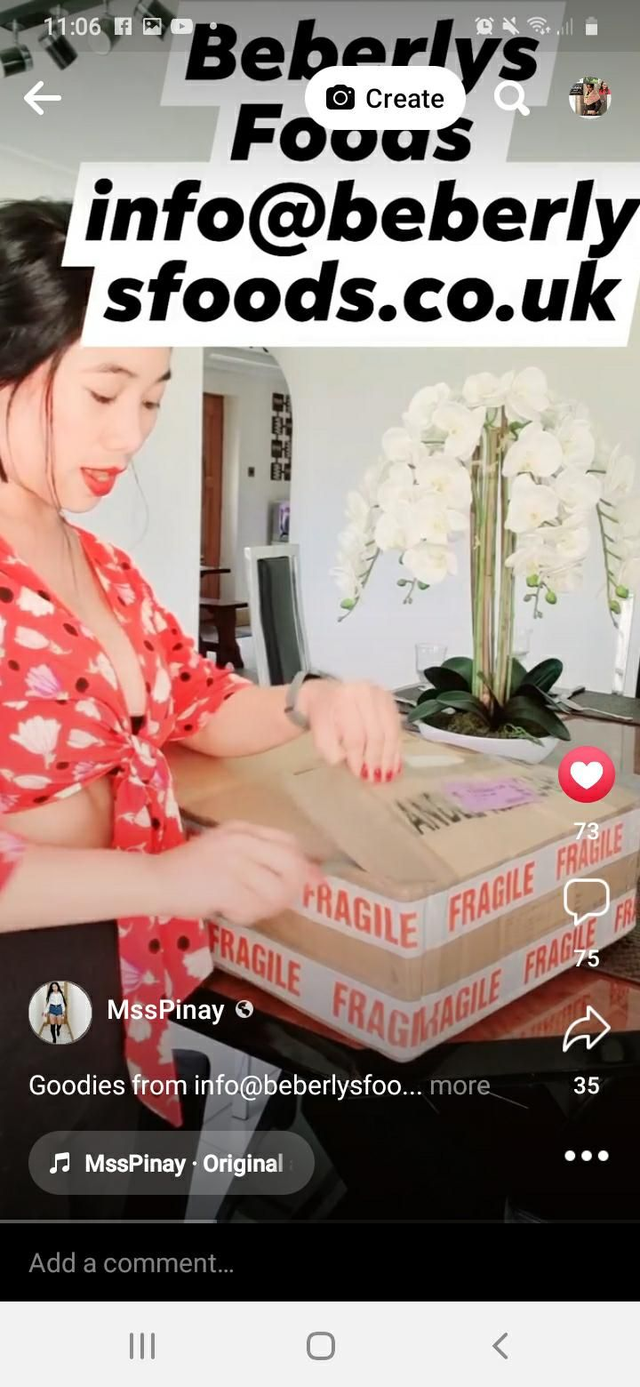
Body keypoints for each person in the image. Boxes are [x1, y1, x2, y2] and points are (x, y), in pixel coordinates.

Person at [0, 198, 403, 1218]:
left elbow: (192, 700)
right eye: (104, 391)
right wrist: (172, 872)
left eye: (153, 398)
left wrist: (311, 697)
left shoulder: (103, 565)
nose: (131, 433)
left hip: (109, 954)